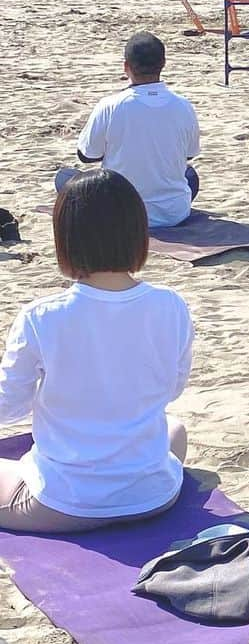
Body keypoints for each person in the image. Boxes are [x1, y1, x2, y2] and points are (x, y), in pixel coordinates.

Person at [0, 171, 191, 533]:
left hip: (64, 503)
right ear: (138, 234)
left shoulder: (42, 317)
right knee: (175, 428)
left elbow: (8, 409)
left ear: (66, 240)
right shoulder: (171, 305)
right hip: (154, 496)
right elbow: (172, 390)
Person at [56, 32, 200, 229]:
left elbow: (87, 155)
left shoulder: (111, 105)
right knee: (189, 175)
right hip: (174, 213)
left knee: (64, 177)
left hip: (121, 212)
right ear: (163, 63)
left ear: (126, 67)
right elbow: (189, 154)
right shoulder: (184, 105)